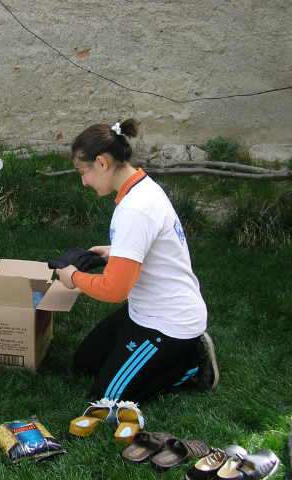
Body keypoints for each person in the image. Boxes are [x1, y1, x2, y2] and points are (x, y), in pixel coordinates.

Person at [56, 119, 219, 404]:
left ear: (102, 163)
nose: (83, 181)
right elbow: (151, 243)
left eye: (83, 172)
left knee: (107, 397)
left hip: (168, 323)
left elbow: (114, 290)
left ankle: (191, 359)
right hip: (144, 311)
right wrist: (116, 250)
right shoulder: (141, 186)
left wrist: (73, 278)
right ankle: (169, 354)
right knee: (84, 363)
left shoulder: (134, 209)